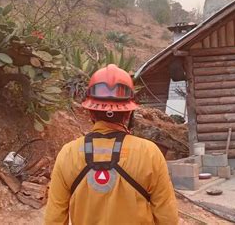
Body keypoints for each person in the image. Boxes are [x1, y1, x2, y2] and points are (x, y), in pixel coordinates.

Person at [44, 64, 178, 225]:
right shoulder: (149, 153)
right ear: (128, 113)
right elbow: (168, 218)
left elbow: (54, 220)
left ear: (90, 112)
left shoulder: (68, 153)